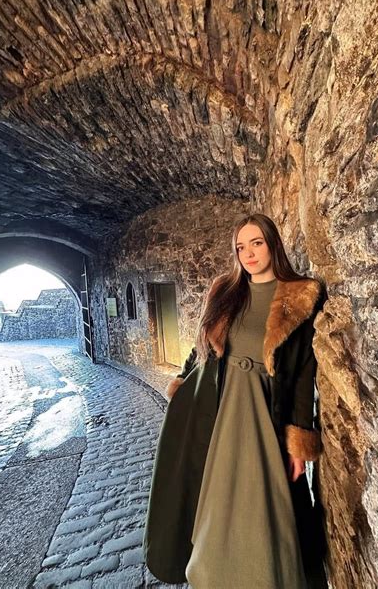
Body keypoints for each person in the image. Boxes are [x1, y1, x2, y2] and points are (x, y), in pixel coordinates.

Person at [143, 213, 328, 588]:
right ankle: (214, 572)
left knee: (264, 499)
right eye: (241, 247)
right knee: (211, 493)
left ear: (273, 244)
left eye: (256, 243)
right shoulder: (224, 290)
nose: (249, 254)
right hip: (213, 405)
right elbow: (202, 349)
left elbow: (303, 374)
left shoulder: (300, 296)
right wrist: (182, 379)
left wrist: (298, 439)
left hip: (262, 409)